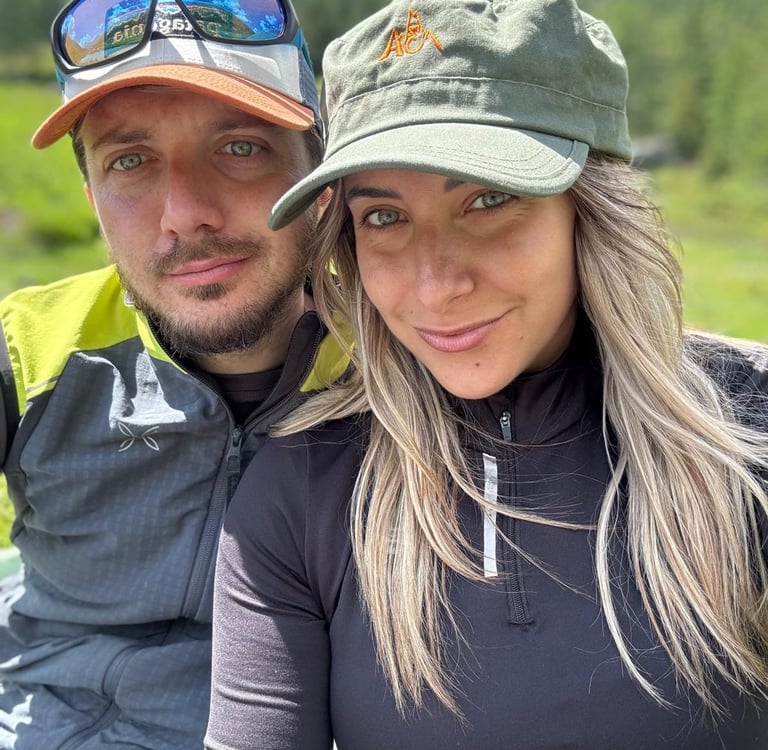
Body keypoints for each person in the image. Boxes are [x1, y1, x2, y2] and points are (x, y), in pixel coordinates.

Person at [206, 0, 768, 748]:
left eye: (489, 199)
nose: (436, 285)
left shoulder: (746, 430)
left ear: (592, 211)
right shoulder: (301, 492)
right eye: (384, 217)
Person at [0, 0, 349, 747]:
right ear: (93, 198)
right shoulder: (29, 351)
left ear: (319, 174)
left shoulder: (408, 367)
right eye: (129, 161)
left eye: (241, 148)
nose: (185, 213)